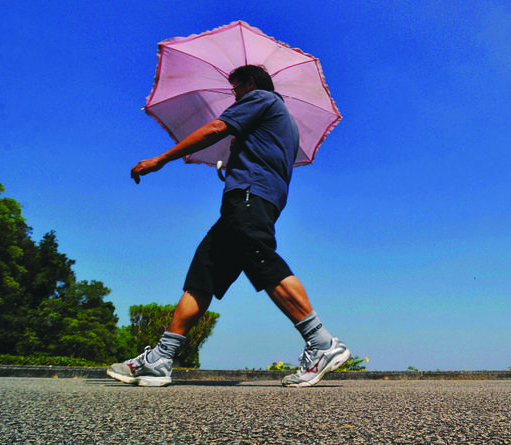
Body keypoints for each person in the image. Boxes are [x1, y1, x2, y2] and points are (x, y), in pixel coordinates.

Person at [108, 64, 349, 388]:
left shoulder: (262, 98)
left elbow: (215, 128)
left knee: (261, 259)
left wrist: (161, 159)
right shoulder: (283, 121)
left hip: (249, 198)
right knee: (203, 274)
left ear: (250, 83)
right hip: (249, 198)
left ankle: (320, 342)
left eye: (235, 89)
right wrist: (234, 162)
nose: (233, 96)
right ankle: (161, 358)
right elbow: (262, 157)